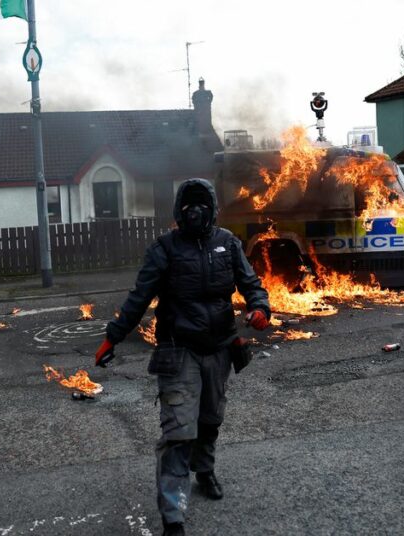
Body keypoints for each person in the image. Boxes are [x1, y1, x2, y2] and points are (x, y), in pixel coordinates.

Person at [94, 178, 271, 536]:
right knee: (178, 432)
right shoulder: (164, 249)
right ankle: (173, 518)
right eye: (188, 206)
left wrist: (259, 306)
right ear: (179, 212)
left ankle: (204, 470)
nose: (195, 212)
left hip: (220, 347)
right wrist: (112, 338)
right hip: (179, 350)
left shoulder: (228, 243)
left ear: (211, 209)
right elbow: (138, 297)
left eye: (201, 205)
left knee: (210, 420)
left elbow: (251, 284)